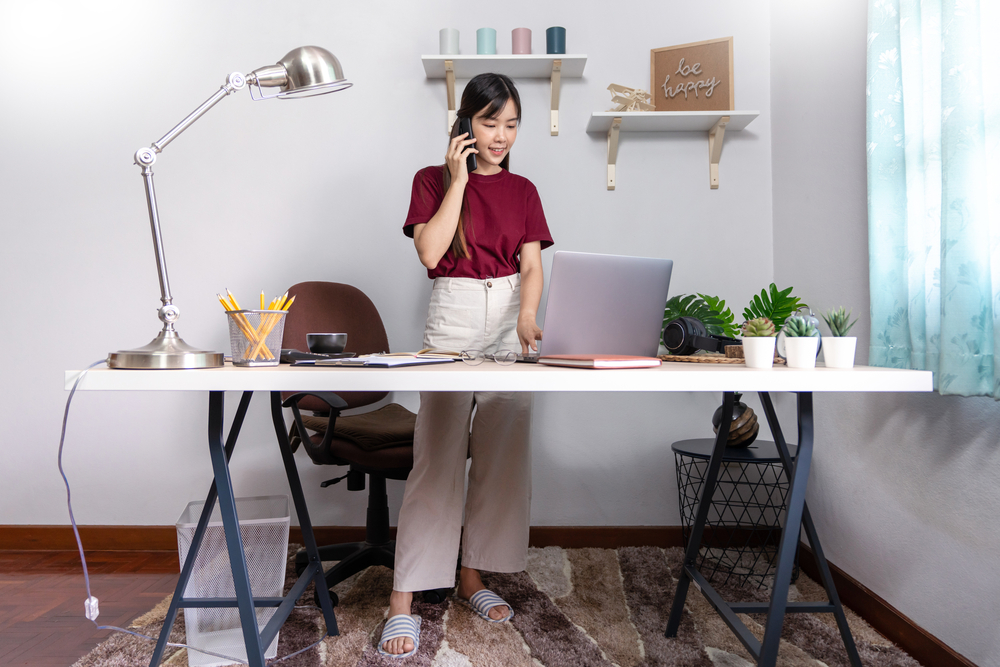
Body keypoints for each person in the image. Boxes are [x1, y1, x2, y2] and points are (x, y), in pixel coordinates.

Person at [378, 72, 553, 657]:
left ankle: (472, 575)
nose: (501, 136)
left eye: (510, 124)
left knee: (504, 455)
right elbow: (430, 251)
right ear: (465, 123)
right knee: (438, 455)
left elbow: (531, 266)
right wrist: (458, 178)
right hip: (453, 315)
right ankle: (403, 596)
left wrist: (528, 315)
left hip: (509, 318)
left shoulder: (524, 189)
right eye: (488, 122)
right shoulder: (430, 180)